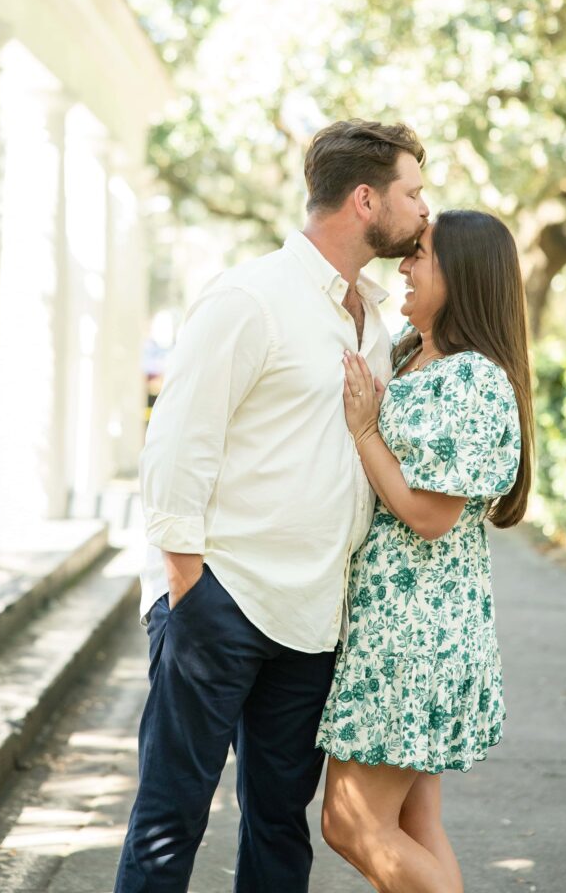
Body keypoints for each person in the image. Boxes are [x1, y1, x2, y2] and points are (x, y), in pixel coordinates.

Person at [113, 119, 430, 893]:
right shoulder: (250, 297)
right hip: (222, 598)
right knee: (170, 821)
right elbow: (177, 444)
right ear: (365, 199)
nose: (424, 210)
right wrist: (188, 585)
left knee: (279, 828)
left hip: (315, 618)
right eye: (413, 192)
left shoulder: (373, 317)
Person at [316, 210, 534, 893]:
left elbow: (428, 514)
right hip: (401, 625)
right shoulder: (414, 350)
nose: (404, 266)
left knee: (349, 825)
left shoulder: (470, 379)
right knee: (412, 826)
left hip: (415, 634)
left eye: (421, 256)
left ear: (463, 275)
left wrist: (364, 432)